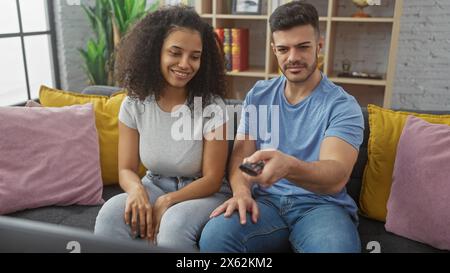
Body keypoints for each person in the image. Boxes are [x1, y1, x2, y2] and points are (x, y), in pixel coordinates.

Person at [200, 1, 364, 253]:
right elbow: (241, 156)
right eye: (283, 49)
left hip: (321, 207)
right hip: (266, 204)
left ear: (319, 46)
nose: (293, 57)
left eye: (303, 47)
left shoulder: (342, 106)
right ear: (273, 50)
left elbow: (336, 176)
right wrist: (242, 191)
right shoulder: (258, 95)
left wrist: (288, 166)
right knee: (216, 237)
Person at [94, 5, 231, 252]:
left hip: (201, 192)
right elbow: (126, 169)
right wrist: (136, 190)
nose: (185, 64)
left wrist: (169, 200)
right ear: (155, 51)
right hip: (153, 184)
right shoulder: (134, 104)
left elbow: (212, 179)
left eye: (195, 56)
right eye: (175, 53)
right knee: (109, 215)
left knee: (174, 224)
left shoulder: (212, 107)